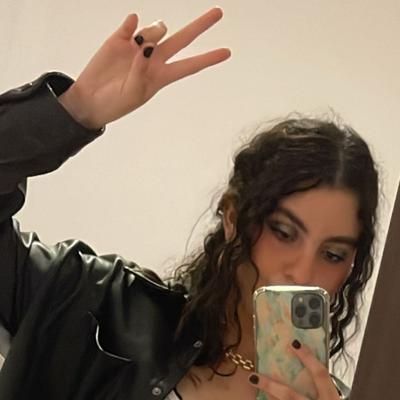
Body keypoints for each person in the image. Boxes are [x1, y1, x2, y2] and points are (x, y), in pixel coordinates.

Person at [0, 7, 378, 400]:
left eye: (332, 254)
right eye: (283, 232)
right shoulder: (98, 308)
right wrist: (75, 110)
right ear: (233, 217)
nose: (301, 271)